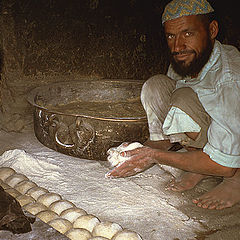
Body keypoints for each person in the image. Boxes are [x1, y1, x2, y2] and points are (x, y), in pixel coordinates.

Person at [107, 0, 240, 210]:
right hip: (219, 126)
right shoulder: (190, 57)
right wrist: (138, 151)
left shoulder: (228, 80)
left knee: (183, 99)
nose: (177, 46)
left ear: (212, 30)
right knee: (156, 86)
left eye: (188, 33)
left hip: (233, 152)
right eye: (171, 36)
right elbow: (174, 122)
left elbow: (225, 165)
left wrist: (153, 156)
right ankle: (201, 164)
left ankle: (235, 180)